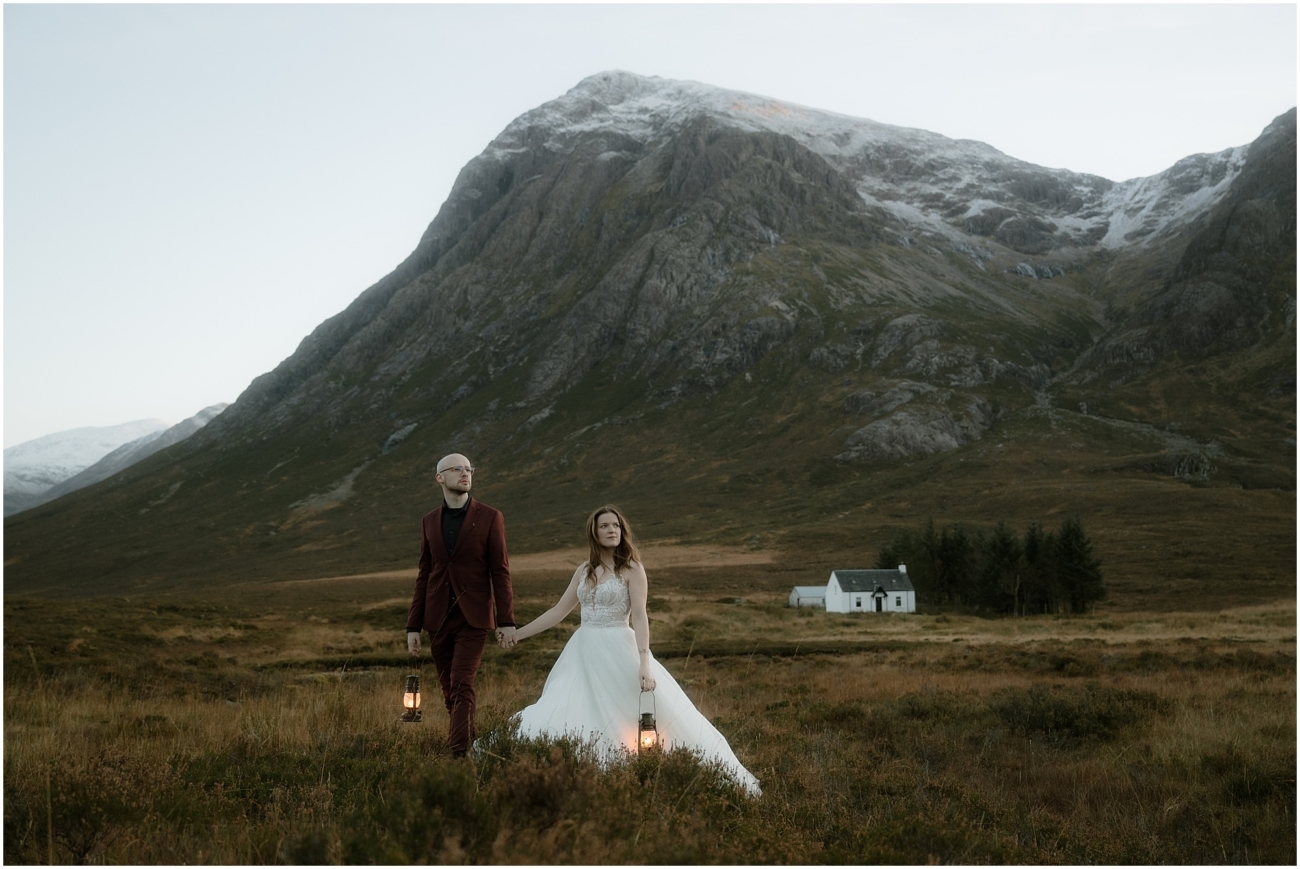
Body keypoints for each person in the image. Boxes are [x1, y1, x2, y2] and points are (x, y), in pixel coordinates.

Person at [500, 505, 760, 796]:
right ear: (594, 533)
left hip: (618, 648)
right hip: (582, 651)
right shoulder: (583, 571)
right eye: (605, 526)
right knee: (570, 708)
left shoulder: (632, 568)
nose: (612, 530)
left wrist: (644, 662)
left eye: (616, 526)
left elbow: (639, 616)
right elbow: (559, 611)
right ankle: (578, 775)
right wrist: (517, 634)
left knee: (638, 714)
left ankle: (653, 775)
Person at [406, 453, 516, 758]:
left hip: (474, 617)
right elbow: (424, 573)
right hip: (437, 617)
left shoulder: (491, 517)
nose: (465, 473)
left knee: (460, 683)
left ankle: (458, 754)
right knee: (448, 690)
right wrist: (413, 625)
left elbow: (500, 571)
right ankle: (470, 741)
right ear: (440, 478)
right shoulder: (429, 521)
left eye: (469, 469)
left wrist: (506, 620)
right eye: (457, 469)